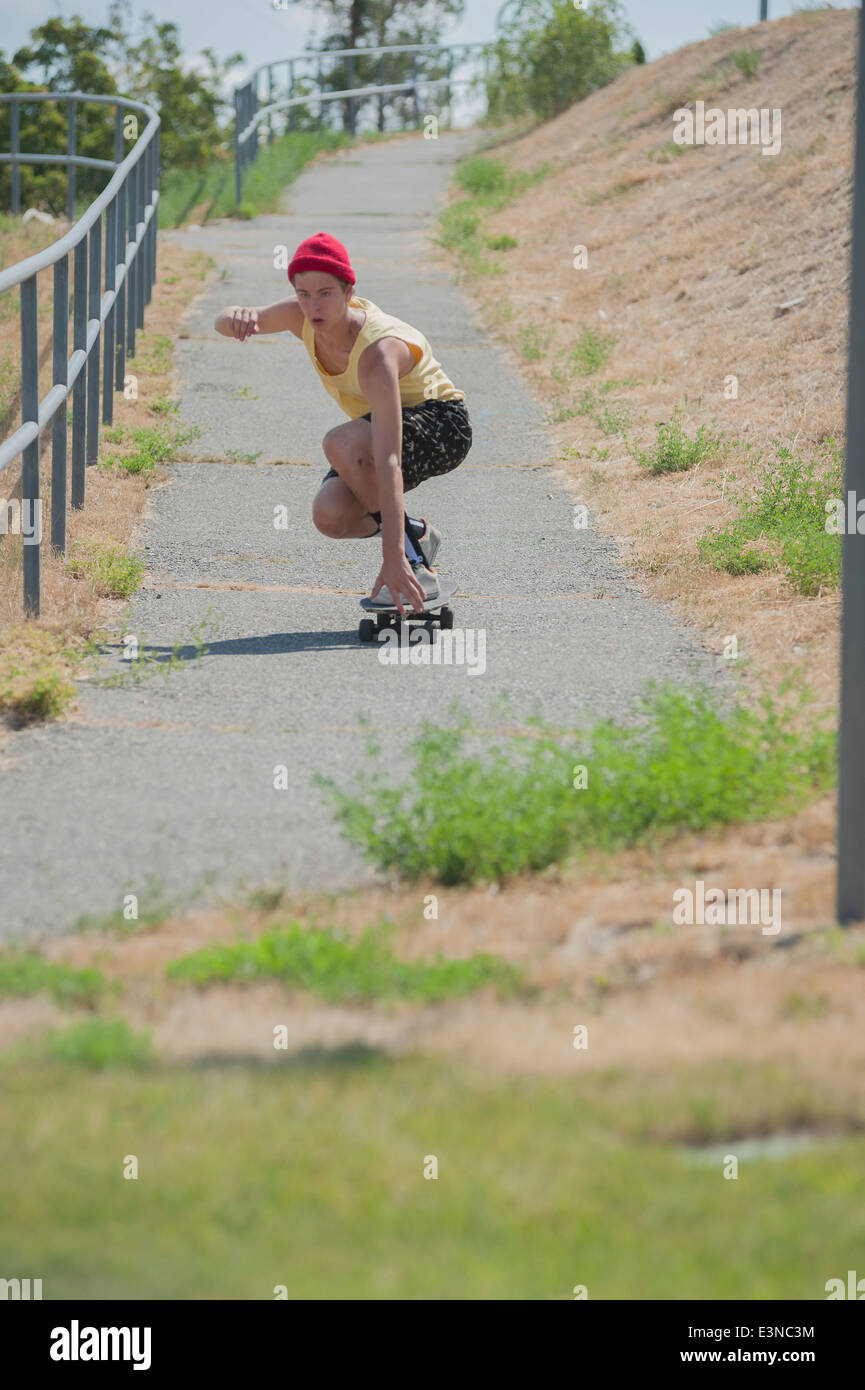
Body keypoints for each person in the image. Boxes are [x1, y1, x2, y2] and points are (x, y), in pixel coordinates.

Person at [214, 231, 472, 615]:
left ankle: (413, 563)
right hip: (383, 426)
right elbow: (223, 323)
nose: (313, 305)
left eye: (326, 293)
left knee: (341, 442)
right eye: (303, 294)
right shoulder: (300, 315)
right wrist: (236, 314)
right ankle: (416, 533)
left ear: (349, 292)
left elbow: (389, 461)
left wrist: (393, 556)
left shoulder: (377, 352)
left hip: (443, 424)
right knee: (330, 515)